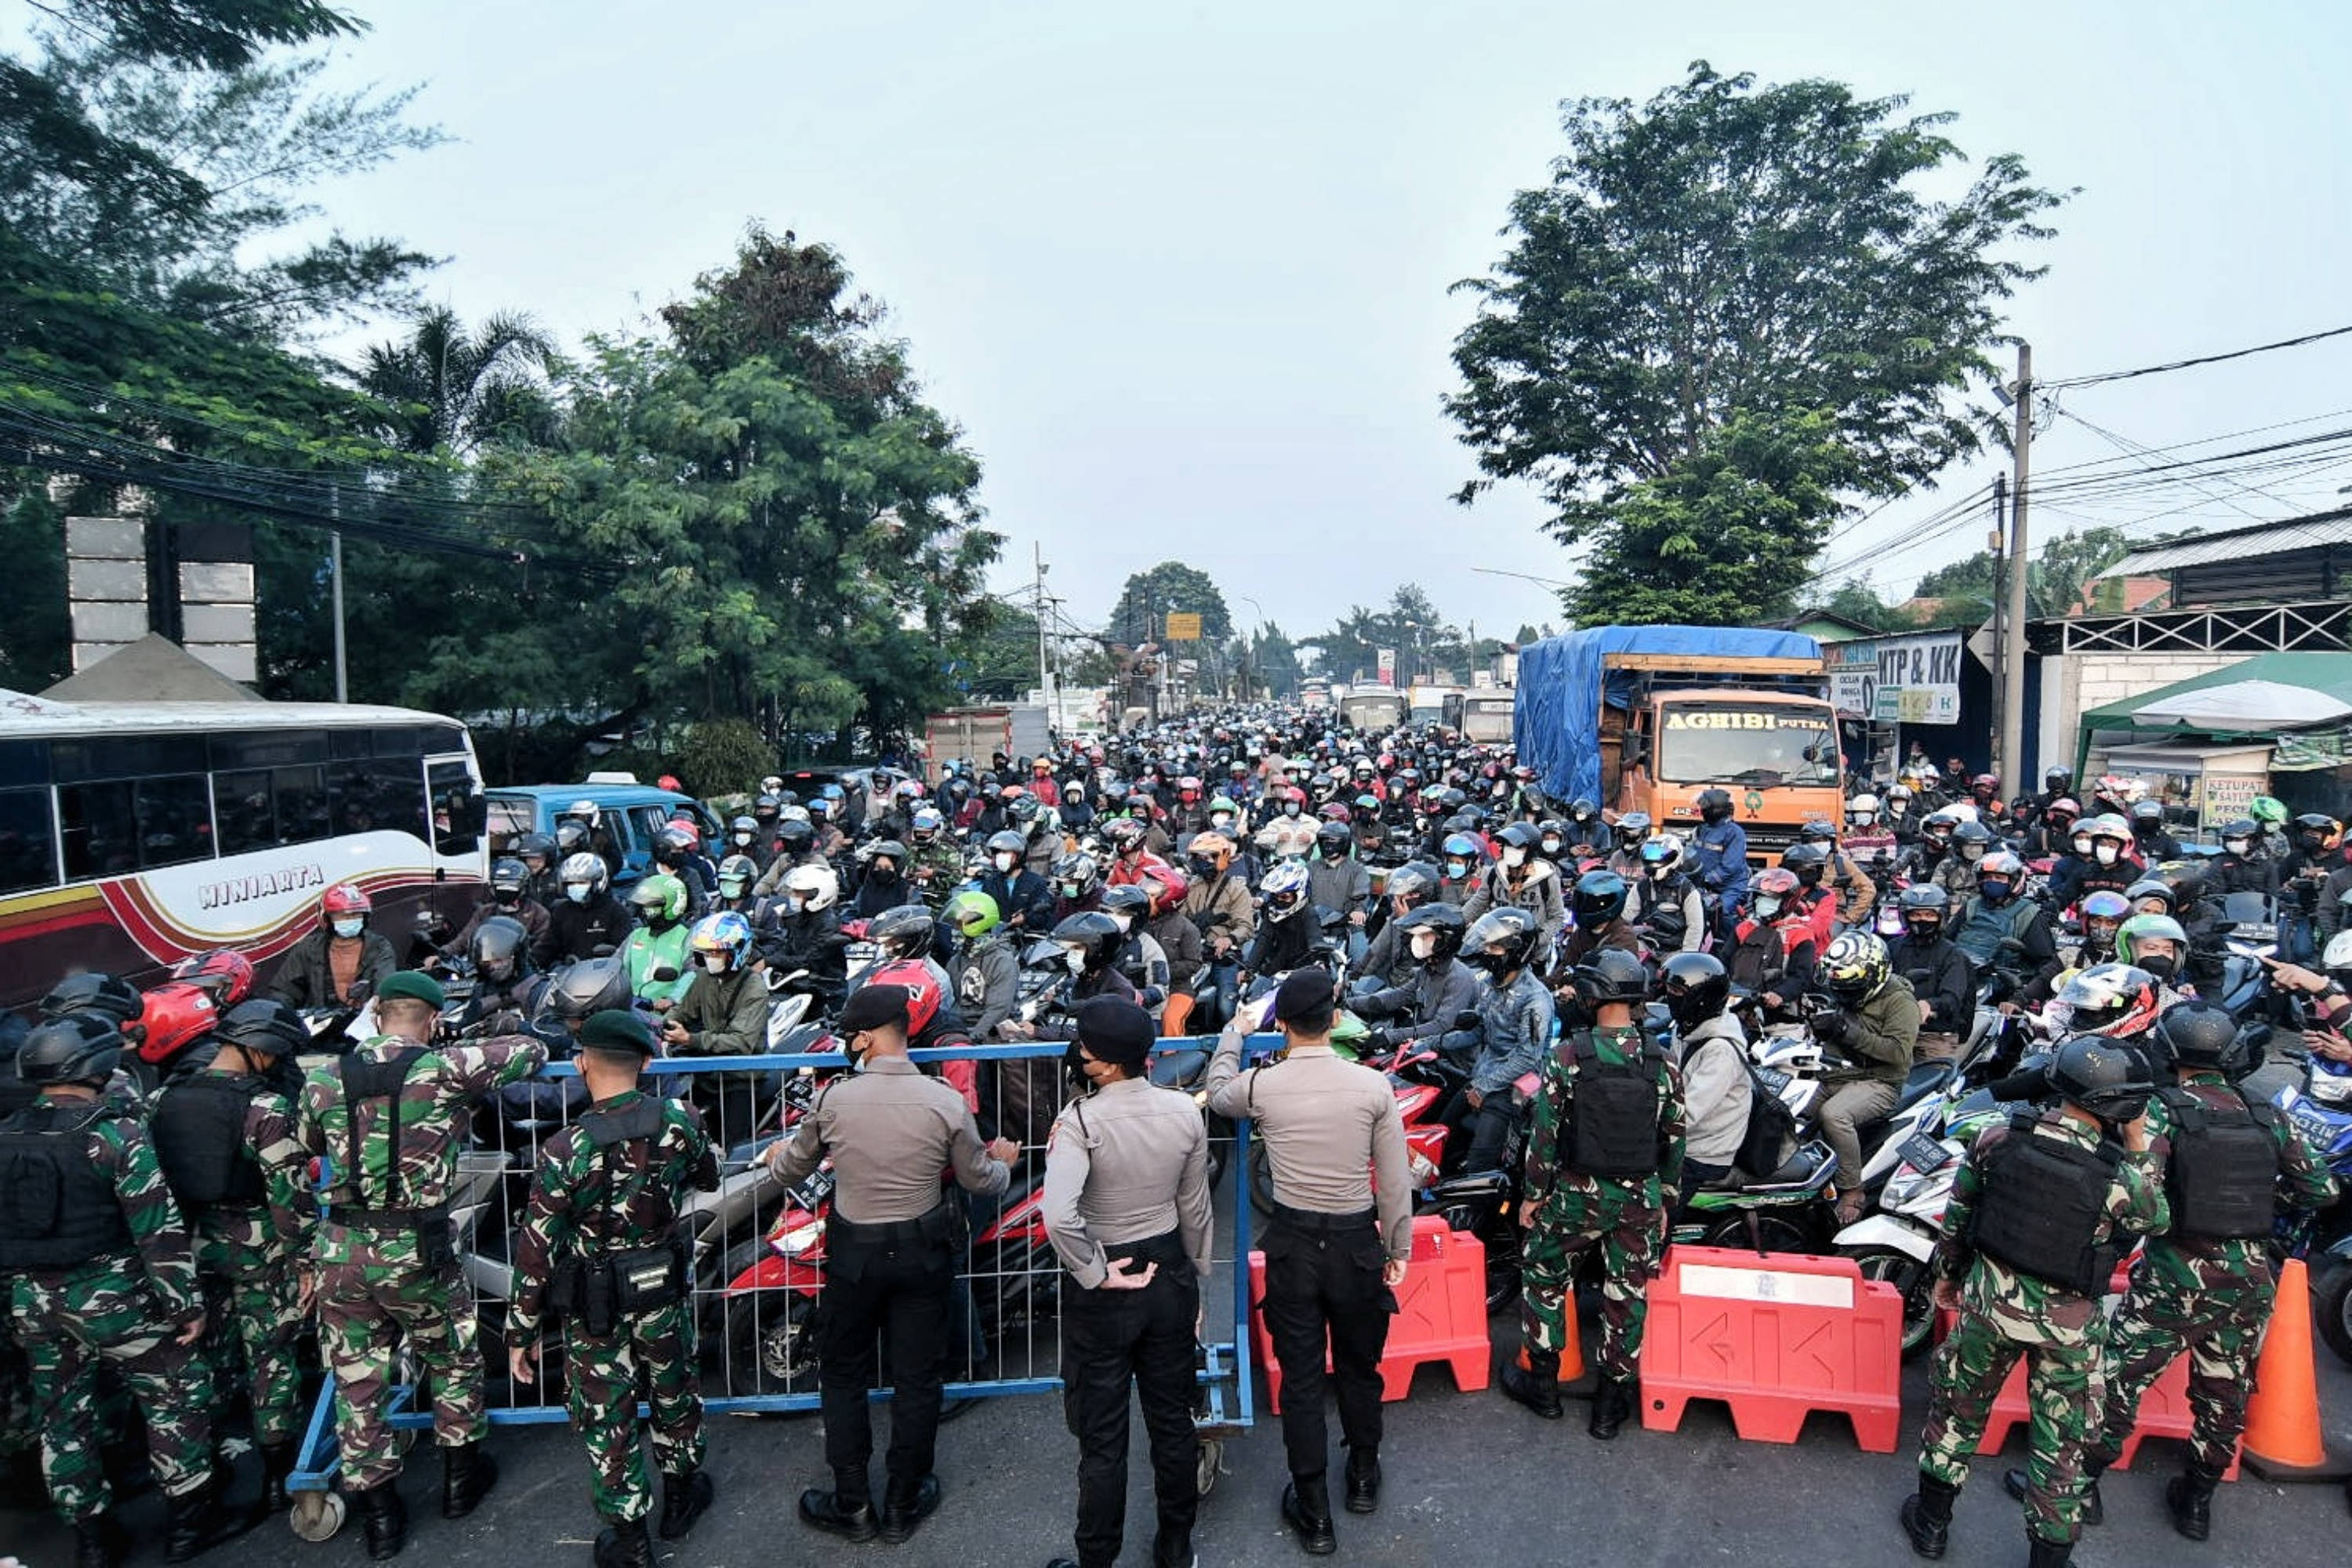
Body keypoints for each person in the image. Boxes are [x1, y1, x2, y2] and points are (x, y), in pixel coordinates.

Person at [2013, 1003, 2337, 1546]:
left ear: (2166, 1050)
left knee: (2115, 1382)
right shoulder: (2267, 1114)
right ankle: (2196, 1503)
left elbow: (2133, 1189)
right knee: (2224, 1395)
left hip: (2174, 1275)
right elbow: (2320, 1190)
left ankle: (2082, 1491)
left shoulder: (2161, 1111)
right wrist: (2257, 1203)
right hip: (2252, 1278)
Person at [293, 970, 548, 1559]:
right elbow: (530, 1051)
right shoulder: (443, 1068)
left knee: (357, 1381)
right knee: (452, 1358)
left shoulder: (325, 1076)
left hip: (343, 1249)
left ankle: (380, 1516)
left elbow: (309, 1142)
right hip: (417, 1248)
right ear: (431, 1021)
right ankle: (461, 1481)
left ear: (377, 1012)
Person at [2, 1013, 262, 1568]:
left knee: (62, 1418)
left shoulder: (6, 1132)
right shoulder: (112, 1133)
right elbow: (158, 1232)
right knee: (176, 1397)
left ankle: (93, 1541)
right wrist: (186, 1307)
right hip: (115, 1298)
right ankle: (192, 1524)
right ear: (93, 1067)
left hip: (34, 1304)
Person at [764, 985, 1019, 1545]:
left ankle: (853, 1504)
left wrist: (774, 1157)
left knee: (844, 1375)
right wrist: (1004, 1164)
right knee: (917, 1379)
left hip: (854, 1256)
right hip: (922, 1254)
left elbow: (789, 1172)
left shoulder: (834, 1101)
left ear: (866, 1037)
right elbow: (980, 1181)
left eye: (851, 1033)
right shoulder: (943, 1100)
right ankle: (904, 1501)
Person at [1901, 1035, 2167, 1568]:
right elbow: (2152, 1220)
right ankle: (2048, 1557)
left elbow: (1958, 1219)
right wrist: (2139, 1146)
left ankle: (1931, 1524)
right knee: (2063, 1442)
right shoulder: (2119, 1174)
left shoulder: (1997, 1138)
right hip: (2069, 1326)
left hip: (1988, 1302)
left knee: (1958, 1412)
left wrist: (1949, 1279)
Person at [1204, 969, 1410, 1555]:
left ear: (1283, 1026)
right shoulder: (1372, 1089)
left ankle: (1314, 1509)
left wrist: (1233, 1033)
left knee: (1300, 1380)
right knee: (1359, 1367)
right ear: (1336, 1018)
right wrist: (1398, 1248)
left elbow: (1219, 1092)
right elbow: (1394, 1183)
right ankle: (1364, 1476)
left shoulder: (1263, 1087)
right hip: (1357, 1245)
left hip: (1293, 1246)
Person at [506, 1009, 720, 1568]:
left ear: (581, 1064)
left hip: (594, 1302)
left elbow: (537, 1248)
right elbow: (707, 1178)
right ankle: (681, 1499)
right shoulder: (682, 1119)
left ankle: (631, 1541)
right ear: (647, 1062)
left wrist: (521, 1327)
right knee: (675, 1389)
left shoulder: (564, 1148)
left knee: (609, 1413)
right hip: (662, 1288)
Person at [1042, 997, 1214, 1568]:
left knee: (1102, 1437)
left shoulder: (1079, 1122)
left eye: (1086, 1048)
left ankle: (1096, 1559)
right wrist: (1193, 1286)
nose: (1080, 1054)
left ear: (1108, 1064)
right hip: (1169, 1270)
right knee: (1172, 1423)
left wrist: (1093, 1270)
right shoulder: (1184, 1112)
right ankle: (1176, 1546)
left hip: (1106, 1283)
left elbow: (1059, 1215)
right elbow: (1196, 1208)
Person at [1501, 947, 1685, 1439]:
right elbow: (1674, 1137)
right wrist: (1664, 1198)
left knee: (1543, 1271)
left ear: (1594, 994)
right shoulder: (1662, 1061)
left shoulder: (1569, 1056)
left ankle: (1543, 1385)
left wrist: (1533, 1196)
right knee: (1626, 1296)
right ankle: (1610, 1406)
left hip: (1576, 1193)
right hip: (1639, 1198)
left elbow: (1544, 1133)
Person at [147, 999, 314, 1515]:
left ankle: (211, 1467)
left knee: (209, 1359)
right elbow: (288, 1197)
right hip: (261, 1247)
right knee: (271, 1358)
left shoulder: (160, 1100)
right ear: (260, 1050)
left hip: (193, 1247)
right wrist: (306, 1260)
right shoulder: (266, 1109)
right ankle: (276, 1474)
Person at [1811, 932, 1919, 1225]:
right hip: (1835, 1072)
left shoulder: (1900, 1002)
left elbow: (1897, 1054)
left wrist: (1846, 1032)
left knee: (1833, 1116)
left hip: (1879, 1081)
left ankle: (1852, 1189)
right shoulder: (1845, 987)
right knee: (1789, 1111)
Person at [1446, 909, 1555, 1175]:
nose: (1487, 951)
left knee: (1478, 1166)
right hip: (1483, 1076)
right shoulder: (1491, 985)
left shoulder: (1535, 999)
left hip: (1511, 1091)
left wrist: (1483, 1088)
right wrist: (1432, 1043)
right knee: (1443, 1132)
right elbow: (1479, 1032)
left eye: (1494, 947)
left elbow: (1527, 1058)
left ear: (1514, 951)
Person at [1660, 952, 1749, 1189]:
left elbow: (1688, 1113)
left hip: (1704, 1153)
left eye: (1678, 992)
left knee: (1649, 1212)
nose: (1671, 997)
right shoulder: (1686, 1029)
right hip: (1686, 1140)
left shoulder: (1720, 1050)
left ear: (1702, 997)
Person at [270, 883, 397, 1008]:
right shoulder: (309, 948)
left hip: (364, 1019)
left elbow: (384, 983)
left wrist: (377, 1003)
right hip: (319, 1021)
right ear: (328, 918)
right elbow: (285, 990)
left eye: (355, 914)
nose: (350, 919)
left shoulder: (379, 947)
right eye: (343, 915)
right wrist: (282, 1010)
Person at [1888, 886, 1976, 1063]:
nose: (1922, 920)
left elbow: (1951, 999)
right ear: (1906, 916)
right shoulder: (1893, 947)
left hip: (1932, 1036)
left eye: (1929, 915)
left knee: (1931, 1086)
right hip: (1892, 1031)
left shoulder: (1953, 955)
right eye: (1916, 915)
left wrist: (1929, 1006)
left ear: (1940, 917)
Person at [1461, 822, 1566, 952]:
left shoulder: (1547, 879)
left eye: (1517, 847)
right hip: (1497, 947)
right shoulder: (1495, 873)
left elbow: (1557, 917)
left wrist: (1537, 940)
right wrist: (1459, 923)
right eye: (1507, 846)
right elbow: (1479, 902)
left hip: (1533, 954)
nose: (1510, 851)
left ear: (1530, 850)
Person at [946, 890, 1022, 1045]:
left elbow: (998, 1011)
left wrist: (971, 1042)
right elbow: (950, 1005)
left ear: (976, 923)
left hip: (994, 1036)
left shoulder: (1002, 960)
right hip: (961, 1035)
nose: (954, 930)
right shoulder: (956, 961)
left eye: (959, 924)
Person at [537, 853, 637, 970]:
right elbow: (547, 947)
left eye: (582, 883)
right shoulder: (562, 911)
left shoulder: (615, 911)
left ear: (597, 882)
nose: (575, 887)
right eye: (571, 884)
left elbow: (626, 951)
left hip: (603, 975)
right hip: (568, 974)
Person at [620, 873, 695, 1011]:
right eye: (643, 906)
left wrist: (672, 999)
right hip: (632, 1008)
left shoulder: (687, 937)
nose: (644, 911)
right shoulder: (637, 935)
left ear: (672, 905)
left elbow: (693, 973)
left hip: (667, 1013)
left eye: (650, 906)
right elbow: (618, 967)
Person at [1688, 789, 1751, 927]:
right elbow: (1691, 853)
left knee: (1719, 910)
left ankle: (1727, 945)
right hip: (1705, 885)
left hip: (1731, 887)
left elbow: (1731, 866)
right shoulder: (1702, 829)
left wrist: (1707, 879)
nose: (1702, 811)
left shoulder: (1734, 832)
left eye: (1704, 808)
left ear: (1714, 810)